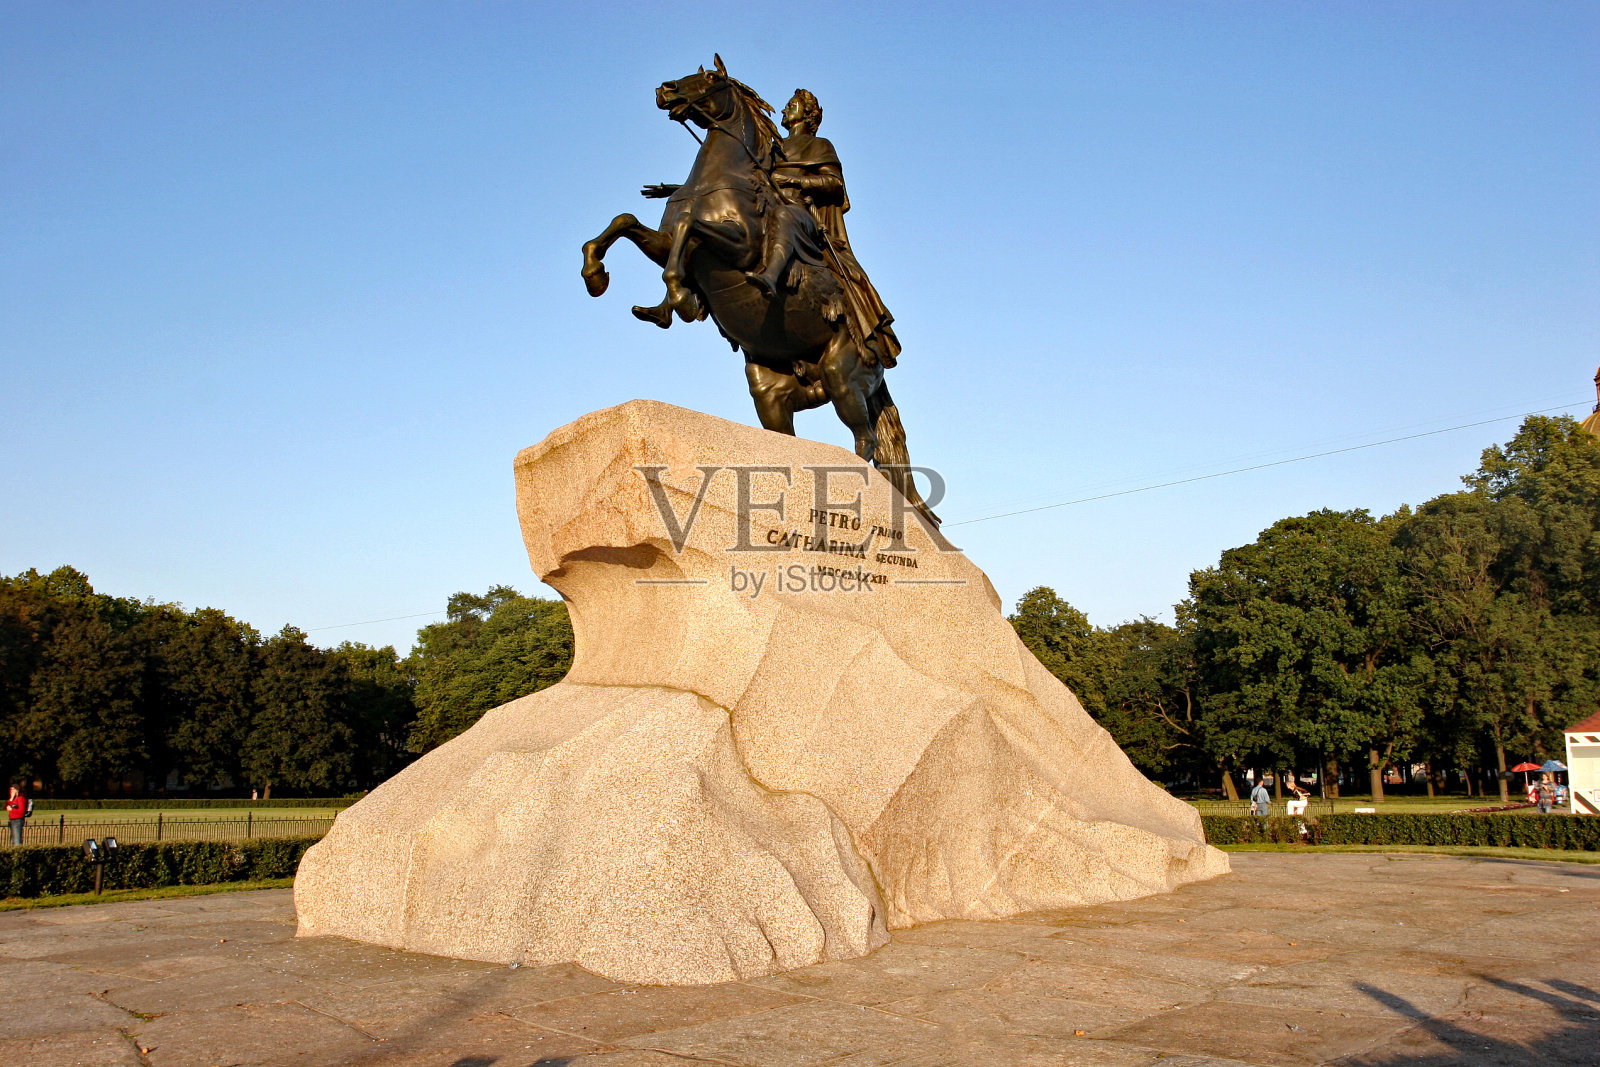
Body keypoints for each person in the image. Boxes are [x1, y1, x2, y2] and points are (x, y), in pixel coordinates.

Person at [747, 89, 902, 367]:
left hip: (802, 216)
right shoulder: (771, 148)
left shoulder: (819, 145)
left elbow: (834, 184)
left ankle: (771, 275)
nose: (784, 110)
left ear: (807, 115)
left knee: (784, 216)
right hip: (767, 209)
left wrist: (797, 182)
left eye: (791, 105)